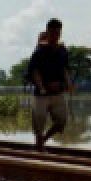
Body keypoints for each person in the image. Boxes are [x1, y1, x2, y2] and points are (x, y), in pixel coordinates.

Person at [28, 18, 72, 151]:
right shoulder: (39, 51)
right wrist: (42, 87)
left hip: (58, 92)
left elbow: (65, 69)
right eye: (52, 33)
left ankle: (42, 141)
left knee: (61, 122)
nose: (55, 36)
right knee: (39, 121)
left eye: (58, 33)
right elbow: (34, 71)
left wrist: (68, 84)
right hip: (41, 94)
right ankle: (39, 148)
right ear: (47, 32)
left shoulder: (63, 51)